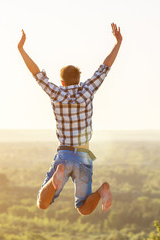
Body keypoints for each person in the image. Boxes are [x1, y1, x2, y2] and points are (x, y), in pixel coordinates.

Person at [17, 23, 122, 215]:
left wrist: (21, 49)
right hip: (84, 156)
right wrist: (118, 43)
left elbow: (36, 74)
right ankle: (102, 190)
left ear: (62, 82)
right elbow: (105, 67)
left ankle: (54, 180)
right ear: (79, 79)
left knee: (43, 203)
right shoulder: (88, 90)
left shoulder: (57, 93)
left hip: (64, 155)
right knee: (84, 209)